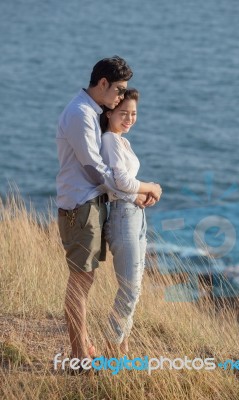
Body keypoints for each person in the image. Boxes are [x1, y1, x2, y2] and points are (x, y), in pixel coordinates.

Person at [56, 56, 161, 365]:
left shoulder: (91, 112)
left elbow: (106, 174)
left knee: (86, 279)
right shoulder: (79, 113)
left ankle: (86, 346)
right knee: (81, 280)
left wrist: (131, 192)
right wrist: (138, 189)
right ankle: (79, 357)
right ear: (102, 83)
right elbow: (94, 170)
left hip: (93, 204)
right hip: (80, 205)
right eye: (118, 91)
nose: (119, 97)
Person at [100, 88, 162, 354]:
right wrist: (151, 187)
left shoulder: (122, 141)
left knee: (135, 286)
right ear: (110, 112)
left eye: (133, 113)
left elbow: (119, 183)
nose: (129, 118)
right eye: (123, 112)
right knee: (129, 289)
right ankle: (111, 350)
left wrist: (139, 195)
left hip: (135, 214)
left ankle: (122, 345)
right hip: (122, 216)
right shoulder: (110, 140)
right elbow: (119, 181)